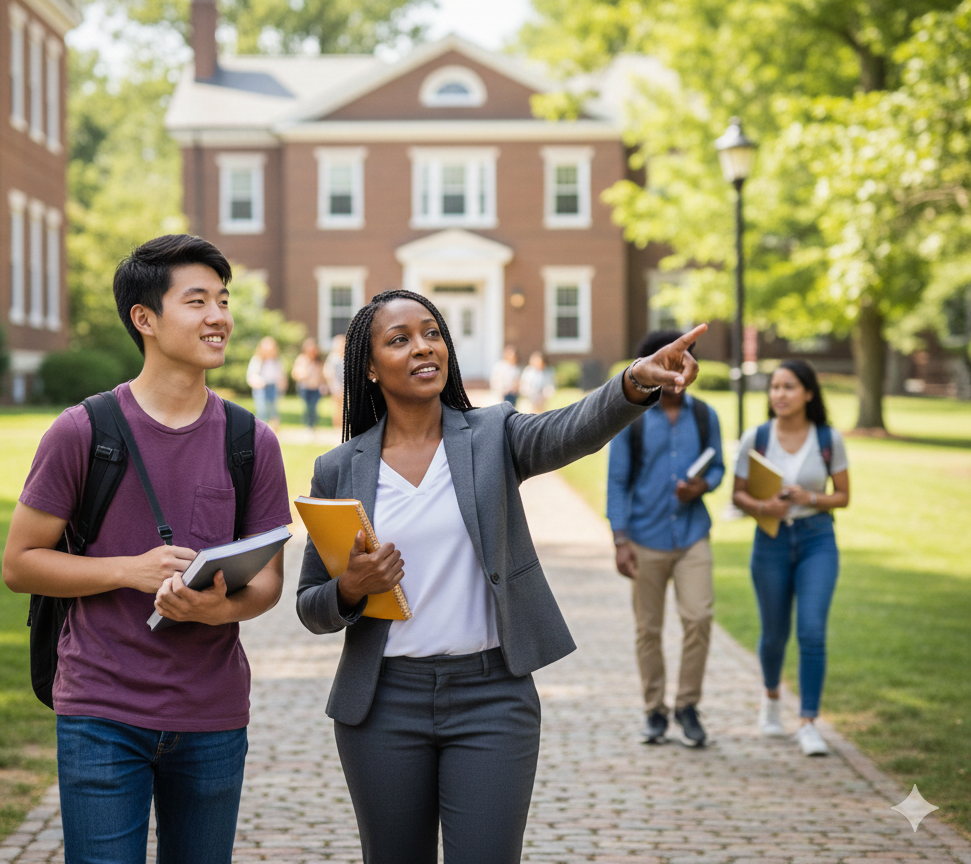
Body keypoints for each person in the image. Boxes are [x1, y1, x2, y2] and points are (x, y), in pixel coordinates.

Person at [297, 287, 706, 864]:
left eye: (432, 333)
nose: (424, 347)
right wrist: (350, 589)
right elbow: (311, 604)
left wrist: (633, 383)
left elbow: (572, 429)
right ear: (368, 367)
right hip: (383, 704)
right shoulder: (340, 469)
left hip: (490, 697)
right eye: (400, 339)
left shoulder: (492, 436)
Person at [2, 234, 290, 863]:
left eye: (223, 299)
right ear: (145, 319)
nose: (219, 317)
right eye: (197, 301)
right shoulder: (82, 432)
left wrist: (214, 609)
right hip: (101, 711)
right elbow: (19, 564)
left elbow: (268, 582)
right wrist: (128, 571)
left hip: (212, 714)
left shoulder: (252, 441)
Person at [607, 329, 724, 748]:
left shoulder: (705, 415)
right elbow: (617, 481)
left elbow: (718, 468)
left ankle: (687, 706)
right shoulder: (631, 420)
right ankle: (654, 711)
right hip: (644, 537)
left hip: (692, 535)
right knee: (648, 629)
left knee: (699, 618)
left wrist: (702, 486)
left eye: (683, 360)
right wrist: (620, 539)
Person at [731, 359, 850, 757]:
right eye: (775, 387)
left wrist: (810, 498)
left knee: (812, 632)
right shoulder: (757, 436)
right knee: (774, 633)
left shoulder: (828, 438)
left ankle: (809, 722)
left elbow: (843, 496)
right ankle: (770, 699)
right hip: (771, 542)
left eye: (789, 387)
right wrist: (765, 507)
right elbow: (738, 494)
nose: (779, 394)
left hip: (817, 540)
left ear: (809, 393)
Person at [247, 335, 286, 432]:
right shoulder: (257, 360)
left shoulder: (276, 361)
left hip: (273, 386)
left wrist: (282, 384)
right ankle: (262, 429)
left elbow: (280, 374)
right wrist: (257, 381)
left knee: (273, 408)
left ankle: (274, 429)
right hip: (261, 387)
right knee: (262, 408)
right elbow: (251, 374)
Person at [292, 336, 325, 435]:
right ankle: (308, 425)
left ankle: (313, 425)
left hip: (315, 387)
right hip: (304, 387)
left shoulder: (319, 361)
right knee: (308, 407)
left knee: (314, 407)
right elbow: (295, 373)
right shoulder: (301, 359)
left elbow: (323, 375)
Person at [324, 332, 347, 435]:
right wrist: (334, 386)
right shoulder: (333, 358)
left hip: (347, 387)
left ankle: (345, 428)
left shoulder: (348, 357)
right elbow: (328, 372)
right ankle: (337, 428)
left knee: (346, 409)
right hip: (337, 387)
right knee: (337, 408)